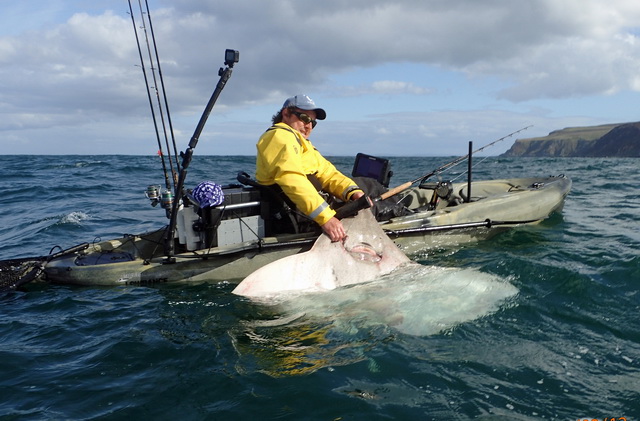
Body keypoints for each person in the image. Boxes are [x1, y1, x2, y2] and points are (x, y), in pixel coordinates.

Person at [255, 94, 365, 242]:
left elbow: (327, 172)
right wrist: (326, 219)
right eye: (304, 118)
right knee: (374, 190)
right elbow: (291, 178)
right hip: (299, 216)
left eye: (313, 122)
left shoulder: (300, 141)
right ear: (286, 113)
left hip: (309, 210)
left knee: (365, 186)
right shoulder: (280, 136)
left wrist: (352, 192)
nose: (309, 126)